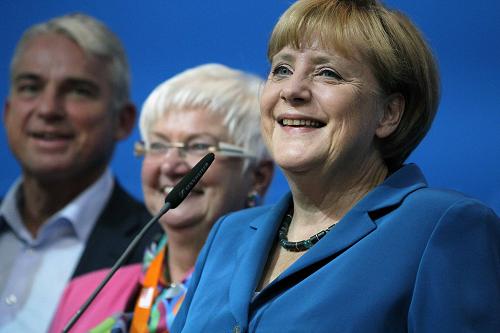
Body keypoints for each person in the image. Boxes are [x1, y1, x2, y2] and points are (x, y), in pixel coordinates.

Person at [172, 1, 500, 332]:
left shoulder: (440, 227)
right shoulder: (229, 234)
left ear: (388, 114)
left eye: (328, 73)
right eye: (282, 69)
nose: (292, 90)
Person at [48, 63, 274, 333]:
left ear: (258, 176)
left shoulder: (272, 294)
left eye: (198, 146)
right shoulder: (83, 295)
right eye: (158, 145)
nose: (169, 165)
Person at [0, 13, 160, 332]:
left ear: (124, 121)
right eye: (31, 87)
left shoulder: (156, 248)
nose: (47, 109)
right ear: (8, 112)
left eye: (78, 91)